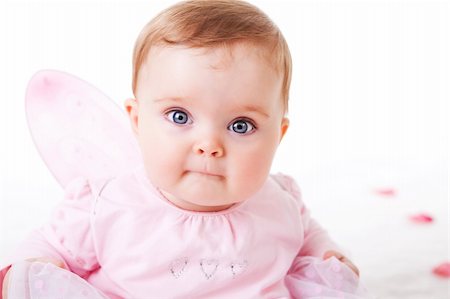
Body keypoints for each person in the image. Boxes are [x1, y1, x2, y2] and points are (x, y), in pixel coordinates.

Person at [1, 0, 365, 298]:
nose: (209, 145)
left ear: (278, 135)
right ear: (138, 120)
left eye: (241, 125)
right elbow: (49, 244)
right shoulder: (105, 205)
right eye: (179, 116)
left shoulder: (281, 200)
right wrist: (36, 262)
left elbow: (307, 235)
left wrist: (326, 251)